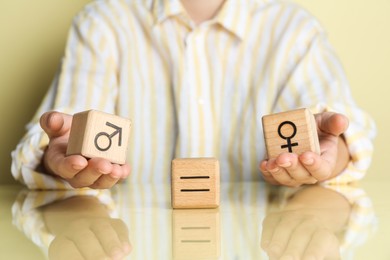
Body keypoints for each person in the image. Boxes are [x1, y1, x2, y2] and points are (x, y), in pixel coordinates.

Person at [12, 0, 376, 190]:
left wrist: (335, 150)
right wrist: (56, 157)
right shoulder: (103, 23)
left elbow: (335, 130)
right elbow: (64, 132)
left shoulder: (295, 30)